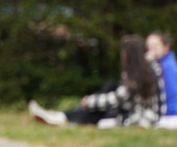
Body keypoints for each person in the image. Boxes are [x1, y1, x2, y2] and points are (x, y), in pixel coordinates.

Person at [28, 34, 166, 128]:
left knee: (97, 109)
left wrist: (90, 101)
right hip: (139, 112)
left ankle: (61, 117)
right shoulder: (149, 68)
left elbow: (117, 98)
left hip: (139, 118)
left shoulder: (139, 76)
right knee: (110, 86)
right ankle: (62, 116)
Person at [146, 31, 177, 115]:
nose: (151, 50)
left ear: (166, 47)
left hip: (169, 116)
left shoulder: (168, 67)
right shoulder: (157, 65)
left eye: (155, 46)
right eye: (149, 46)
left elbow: (171, 95)